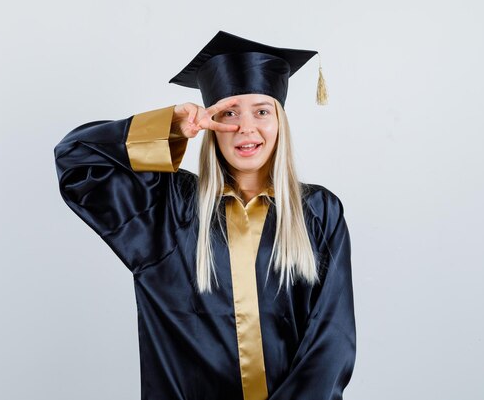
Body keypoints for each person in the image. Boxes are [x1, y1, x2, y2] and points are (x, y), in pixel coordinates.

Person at [54, 30, 356, 400]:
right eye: (229, 112)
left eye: (262, 111)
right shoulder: (165, 209)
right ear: (212, 126)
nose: (246, 127)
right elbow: (76, 161)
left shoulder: (318, 212)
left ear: (280, 121)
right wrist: (169, 127)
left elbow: (332, 338)